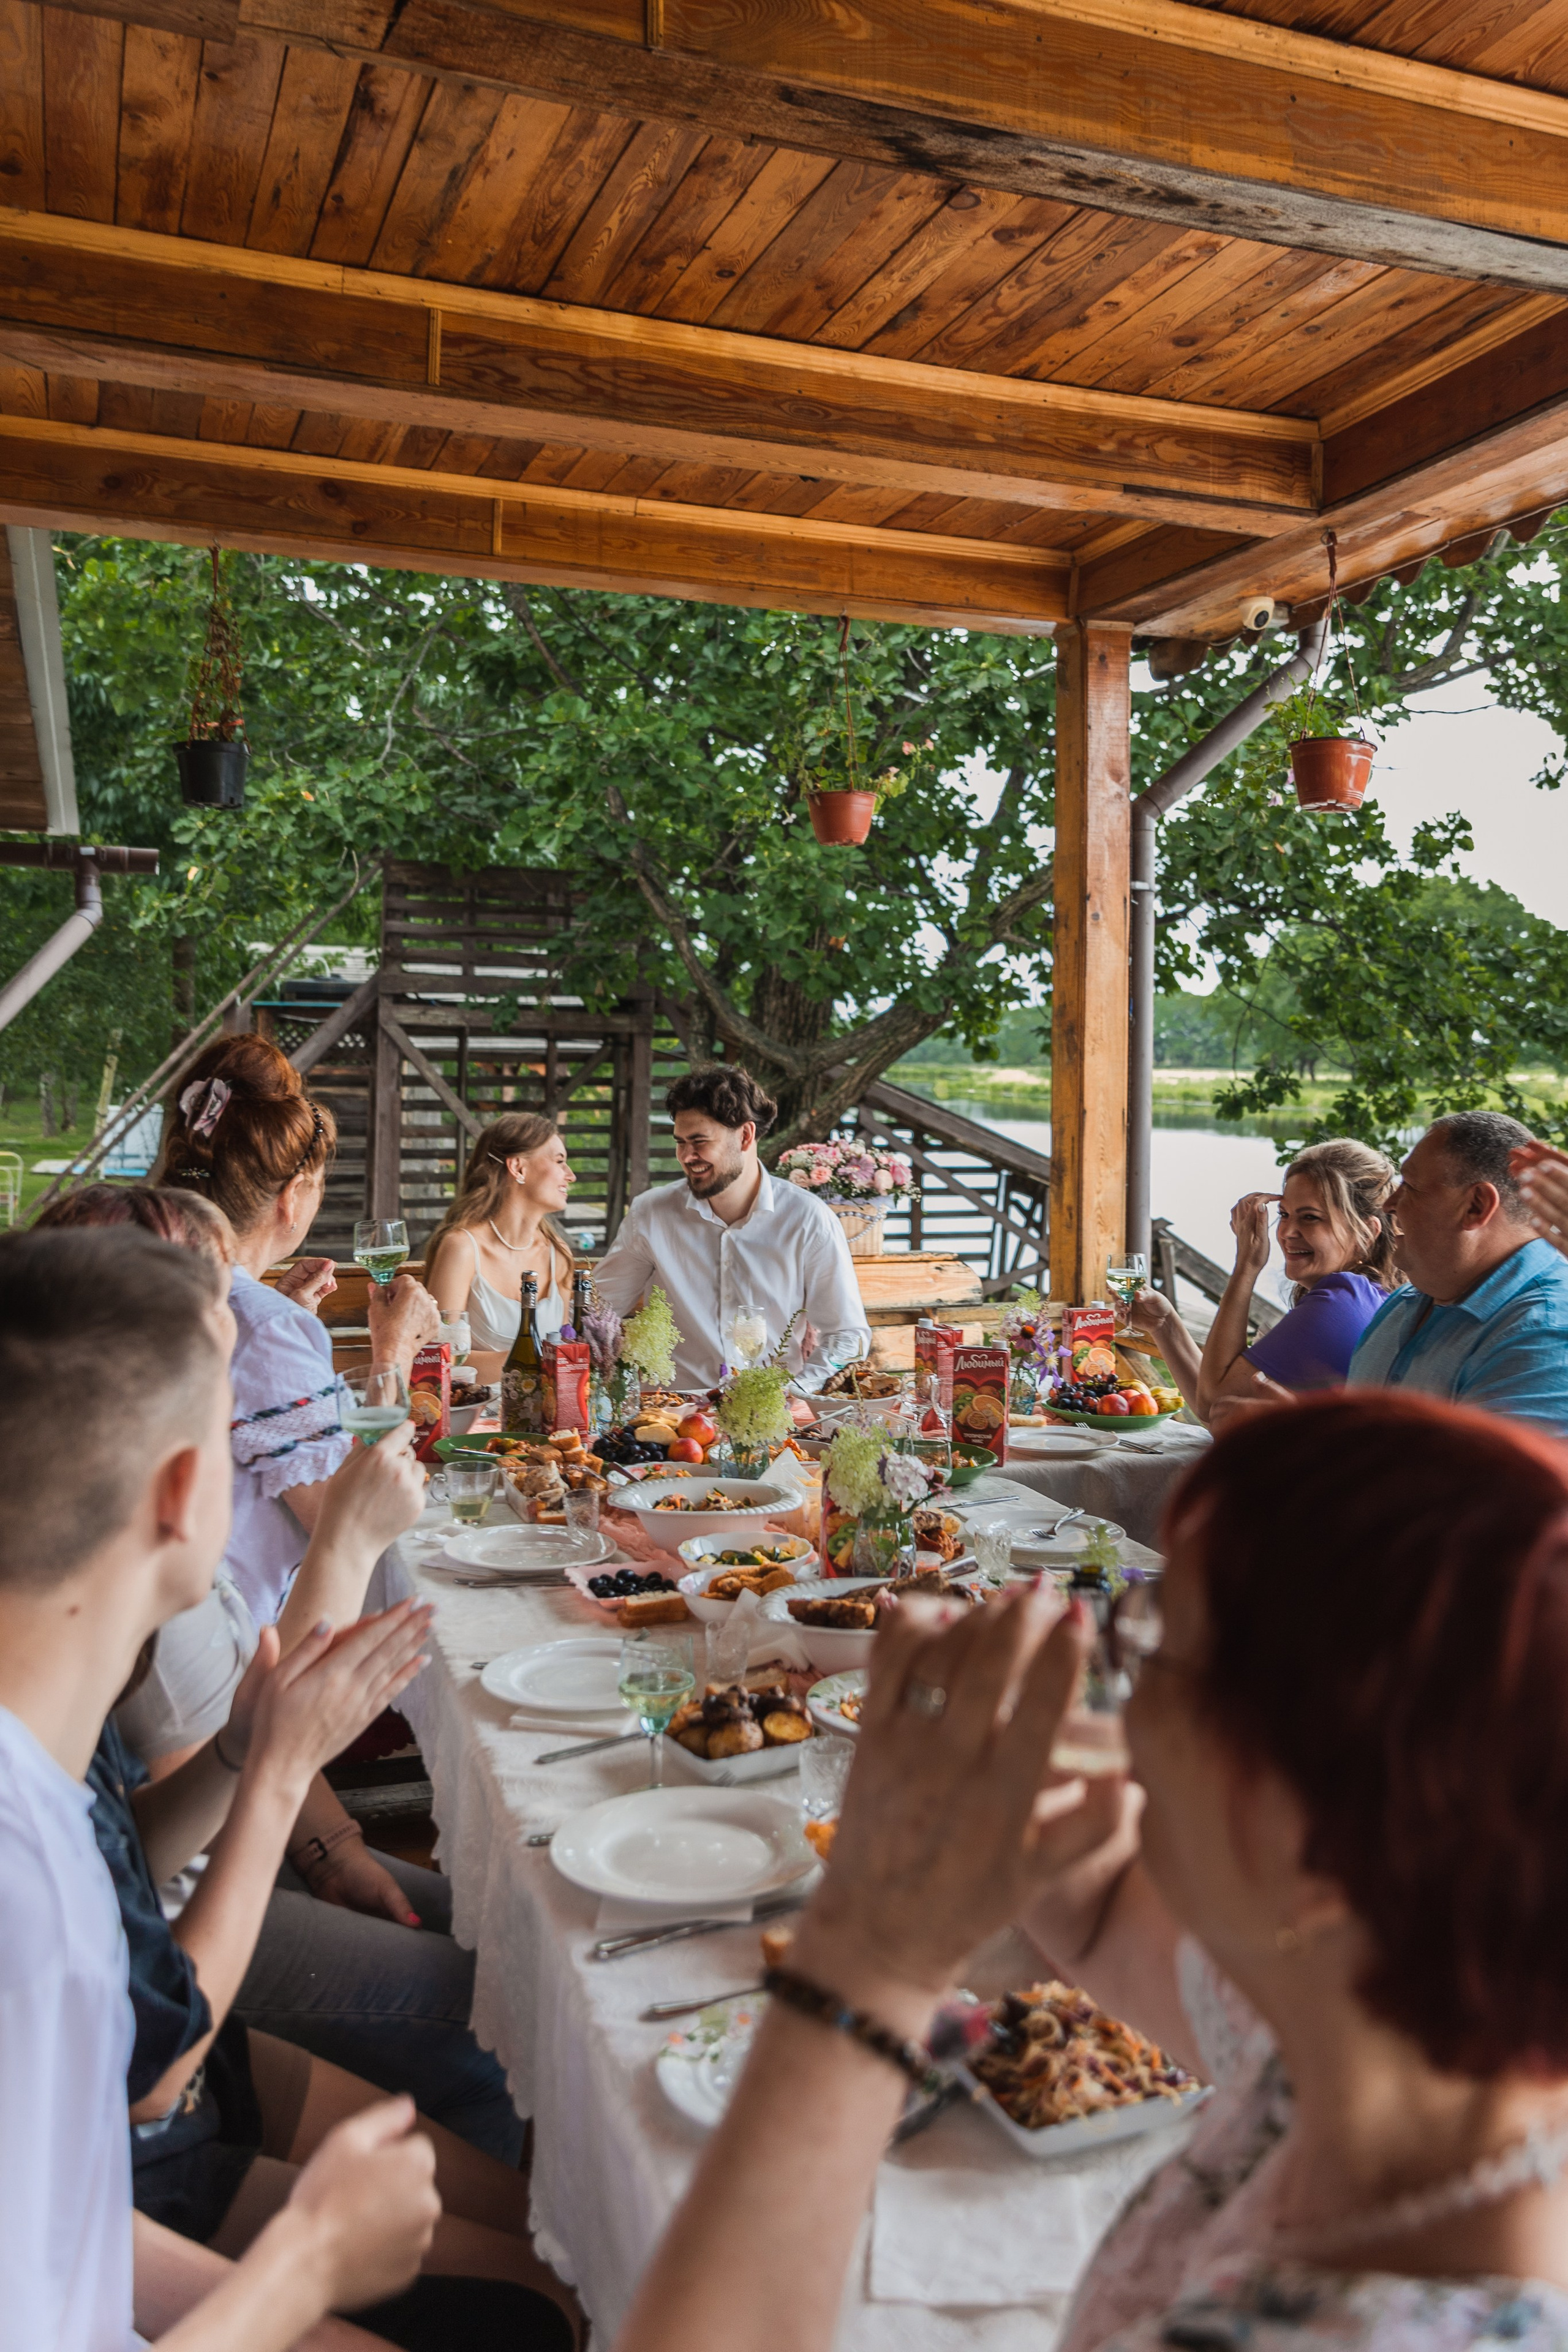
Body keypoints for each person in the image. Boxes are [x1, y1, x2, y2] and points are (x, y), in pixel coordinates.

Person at [616, 1389, 1568, 2352]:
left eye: (1158, 1650)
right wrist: (992, 1758)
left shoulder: (1377, 2327)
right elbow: (1110, 1910)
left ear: (1317, 1844)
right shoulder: (1374, 2025)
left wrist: (871, 1947)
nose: (1122, 1690)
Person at [0, 1224, 442, 2351]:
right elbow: (149, 2085)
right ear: (188, 1487)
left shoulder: (46, 1743)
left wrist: (250, 1754)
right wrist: (307, 2269)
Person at [34, 1183, 527, 2166]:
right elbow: (153, 2070)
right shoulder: (116, 1588)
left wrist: (299, 1812)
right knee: (500, 2018)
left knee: (515, 1938)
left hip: (200, 1928)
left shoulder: (113, 1539)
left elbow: (136, 1833)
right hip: (177, 2032)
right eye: (218, 1310)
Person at [155, 1035, 439, 1624]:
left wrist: (282, 1317)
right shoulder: (261, 1325)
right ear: (294, 1197)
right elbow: (350, 1516)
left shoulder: (170, 1281)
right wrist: (396, 1349)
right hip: (229, 1653)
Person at [593, 1063, 870, 1389]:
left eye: (699, 1141)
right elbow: (598, 1314)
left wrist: (797, 1392)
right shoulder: (651, 1214)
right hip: (674, 1415)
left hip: (771, 1417)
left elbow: (847, 1334)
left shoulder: (808, 1220)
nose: (686, 1156)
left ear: (746, 1135)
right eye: (680, 1142)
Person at [1129, 1139, 1397, 1420]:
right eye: (1284, 1214)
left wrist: (1247, 1264)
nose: (1288, 1231)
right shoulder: (1368, 1296)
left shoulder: (1339, 1303)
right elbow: (1222, 1403)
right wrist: (1165, 1326)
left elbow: (1214, 1405)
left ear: (1367, 1233)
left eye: (1310, 1217)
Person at [1346, 1110, 1568, 1436]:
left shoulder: (1545, 1334)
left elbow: (1496, 1485)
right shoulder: (1406, 1300)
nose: (1389, 1203)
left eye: (1410, 1187)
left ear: (1476, 1206)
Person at [424, 1114, 575, 1381]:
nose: (570, 1176)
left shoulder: (559, 1254)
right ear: (518, 1168)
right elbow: (439, 1358)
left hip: (550, 1413)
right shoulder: (462, 1248)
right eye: (560, 1161)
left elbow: (565, 1346)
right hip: (478, 1412)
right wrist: (537, 1360)